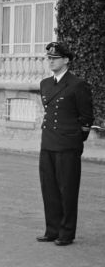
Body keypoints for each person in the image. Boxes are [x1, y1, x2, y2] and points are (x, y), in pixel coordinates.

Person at [37, 41, 93, 246]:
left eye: (55, 58)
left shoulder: (78, 85)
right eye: (49, 58)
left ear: (66, 60)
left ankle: (66, 233)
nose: (51, 62)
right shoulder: (45, 84)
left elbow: (86, 118)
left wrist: (75, 140)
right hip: (48, 143)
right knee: (49, 188)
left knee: (67, 190)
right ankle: (52, 230)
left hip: (68, 145)